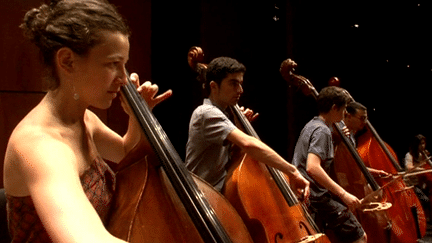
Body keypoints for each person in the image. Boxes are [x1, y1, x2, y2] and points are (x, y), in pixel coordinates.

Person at [3, 0, 172, 242]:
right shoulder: (40, 147)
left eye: (124, 65)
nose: (124, 79)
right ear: (67, 62)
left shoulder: (84, 119)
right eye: (113, 64)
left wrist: (136, 117)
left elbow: (124, 151)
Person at [185, 56, 309, 199]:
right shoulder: (206, 113)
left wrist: (239, 127)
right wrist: (292, 171)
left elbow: (229, 160)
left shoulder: (222, 114)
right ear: (213, 86)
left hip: (216, 196)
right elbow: (248, 144)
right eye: (233, 83)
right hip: (201, 199)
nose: (240, 90)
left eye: (240, 84)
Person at [292, 86, 367, 243]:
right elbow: (313, 167)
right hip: (316, 197)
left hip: (306, 193)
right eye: (344, 109)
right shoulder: (322, 131)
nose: (345, 114)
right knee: (360, 237)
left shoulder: (311, 125)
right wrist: (343, 194)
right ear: (334, 107)